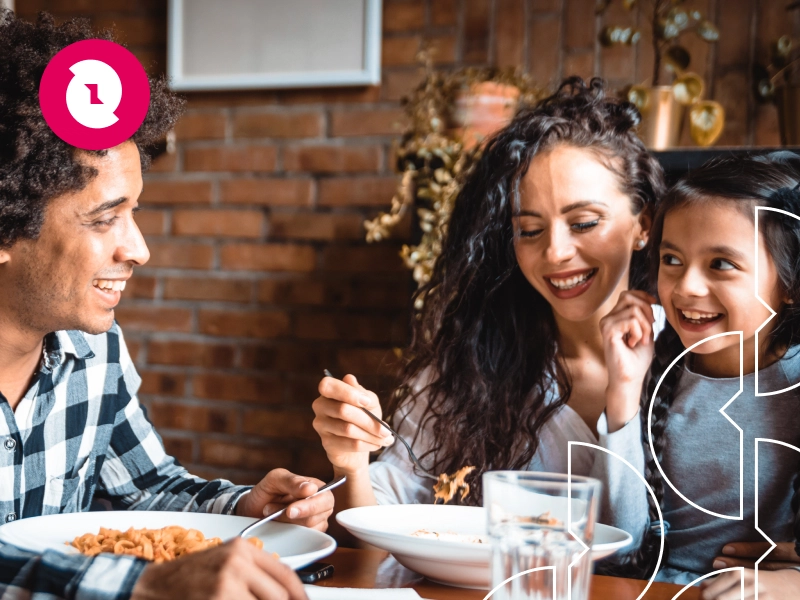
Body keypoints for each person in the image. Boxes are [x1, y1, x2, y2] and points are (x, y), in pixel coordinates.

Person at [0, 11, 327, 600]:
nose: (139, 250)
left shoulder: (94, 349)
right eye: (105, 219)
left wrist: (242, 507)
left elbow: (142, 487)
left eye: (135, 212)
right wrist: (143, 585)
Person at [312, 77, 666, 535]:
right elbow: (384, 519)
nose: (556, 252)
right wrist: (352, 463)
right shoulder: (475, 361)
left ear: (644, 224)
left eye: (583, 222)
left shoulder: (696, 356)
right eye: (530, 230)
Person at [596, 152, 800, 597]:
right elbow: (618, 547)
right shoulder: (652, 372)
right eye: (671, 259)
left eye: (721, 264)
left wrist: (792, 583)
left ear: (790, 286)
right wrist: (624, 392)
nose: (686, 286)